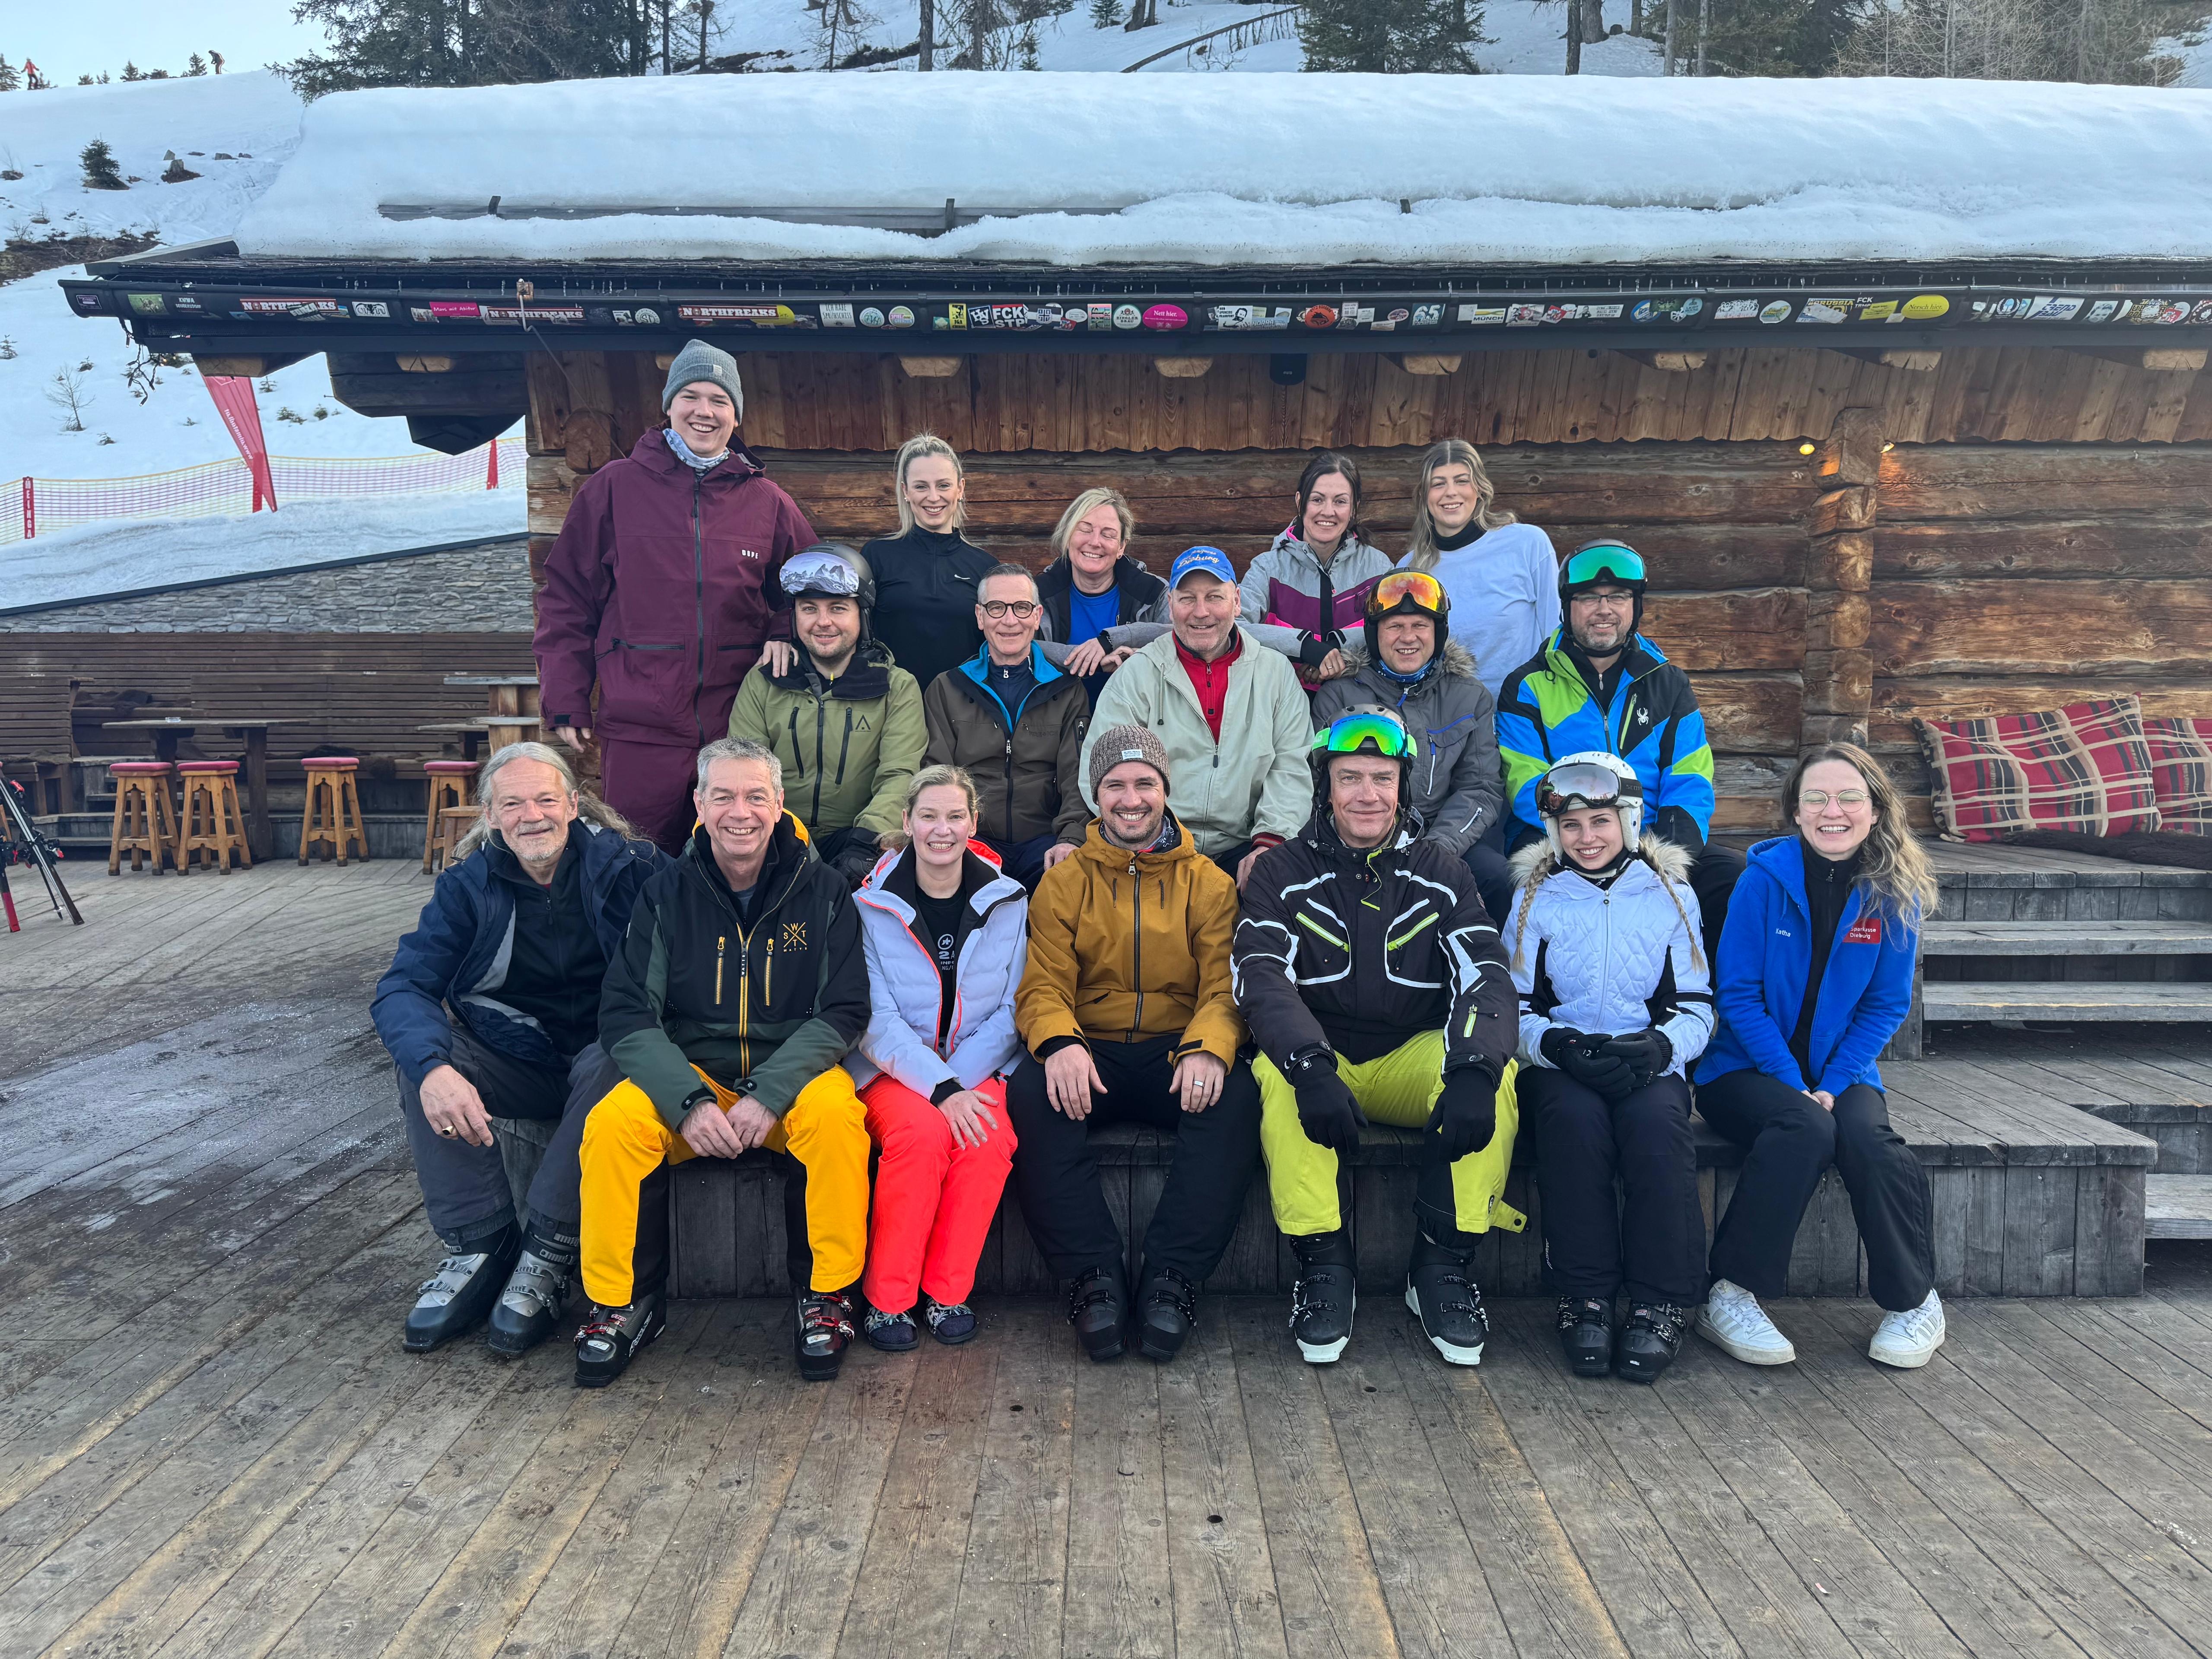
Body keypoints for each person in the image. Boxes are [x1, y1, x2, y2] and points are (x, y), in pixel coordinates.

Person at [572, 738, 873, 1387]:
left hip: (791, 1078)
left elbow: (845, 1011)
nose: (741, 812)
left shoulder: (824, 891)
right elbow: (626, 1013)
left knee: (837, 1119)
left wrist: (770, 1092)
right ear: (699, 805)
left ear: (780, 804)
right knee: (613, 1125)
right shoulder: (664, 893)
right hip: (692, 1075)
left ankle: (827, 1294)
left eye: (756, 796)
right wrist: (687, 1101)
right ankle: (620, 1303)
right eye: (724, 796)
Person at [1233, 708, 1521, 1369]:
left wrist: (1474, 1067)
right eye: (1350, 778)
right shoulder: (1281, 871)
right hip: (1322, 1055)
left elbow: (1486, 974)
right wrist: (1309, 1064)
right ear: (1325, 787)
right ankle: (1324, 1264)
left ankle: (1442, 1266)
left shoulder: (1443, 871)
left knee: (1496, 1076)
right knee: (1276, 1072)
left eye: (1382, 779)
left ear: (1404, 787)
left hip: (1407, 1054)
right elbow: (1260, 975)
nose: (1367, 794)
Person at [371, 742, 663, 1356]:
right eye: (512, 804)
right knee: (426, 1059)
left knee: (623, 1052)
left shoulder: (634, 869)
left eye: (545, 799)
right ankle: (481, 1244)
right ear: (491, 816)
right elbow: (404, 986)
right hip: (518, 1058)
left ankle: (547, 1249)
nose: (532, 816)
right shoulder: (468, 886)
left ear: (574, 805)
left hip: (605, 1058)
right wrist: (434, 1069)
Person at [1008, 724, 1262, 1364]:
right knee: (1031, 1094)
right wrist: (1059, 1043)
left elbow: (1224, 987)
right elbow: (1042, 985)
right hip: (1091, 1051)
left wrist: (1208, 1046)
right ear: (1096, 797)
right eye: (1115, 785)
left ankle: (1173, 1277)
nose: (1130, 799)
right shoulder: (1065, 882)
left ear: (1165, 790)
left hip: (1174, 1052)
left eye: (1144, 783)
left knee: (1234, 1098)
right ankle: (1091, 1276)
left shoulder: (1209, 883)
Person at [1694, 743, 1944, 1372]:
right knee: (1803, 1126)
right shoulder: (1761, 880)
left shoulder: (1895, 892)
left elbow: (1885, 1005)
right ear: (1797, 813)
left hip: (1843, 1071)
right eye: (1817, 799)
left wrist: (1831, 1083)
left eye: (1849, 797)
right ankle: (1731, 1293)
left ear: (1875, 809)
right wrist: (1793, 1082)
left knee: (1869, 1141)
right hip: (1743, 1070)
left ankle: (1914, 1300)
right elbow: (1738, 995)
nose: (1833, 811)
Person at [535, 339, 816, 852]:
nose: (704, 411)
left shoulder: (767, 501)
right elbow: (567, 599)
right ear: (668, 406)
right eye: (691, 396)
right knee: (638, 860)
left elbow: (808, 584)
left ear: (736, 416)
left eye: (719, 400)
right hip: (641, 725)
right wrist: (565, 697)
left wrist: (783, 631)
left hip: (737, 726)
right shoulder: (614, 488)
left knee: (734, 857)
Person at [1502, 753, 1714, 1385]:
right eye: (1570, 826)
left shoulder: (1669, 895)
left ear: (1629, 820)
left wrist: (1662, 1048)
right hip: (1562, 1059)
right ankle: (1585, 1293)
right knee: (1573, 1124)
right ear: (1553, 831)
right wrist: (1555, 1044)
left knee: (1657, 1130)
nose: (1586, 837)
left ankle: (1660, 1299)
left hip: (1643, 1056)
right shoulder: (1535, 897)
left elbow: (1697, 1002)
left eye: (1601, 821)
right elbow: (1511, 1004)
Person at [1494, 538, 1744, 961]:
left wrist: (1660, 852)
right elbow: (1525, 784)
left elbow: (1690, 778)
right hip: (1562, 835)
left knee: (1734, 879)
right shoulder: (1527, 686)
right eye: (1589, 598)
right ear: (1567, 607)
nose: (1603, 609)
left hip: (1653, 838)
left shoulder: (1668, 684)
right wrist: (1593, 835)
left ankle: (1704, 995)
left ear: (1635, 606)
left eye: (1618, 597)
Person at [849, 766, 1027, 1349]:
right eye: (928, 816)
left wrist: (955, 1084)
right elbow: (874, 1021)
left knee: (987, 1137)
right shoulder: (869, 905)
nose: (941, 830)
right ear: (907, 823)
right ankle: (889, 1300)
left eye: (954, 816)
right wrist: (939, 1088)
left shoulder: (1009, 900)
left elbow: (1013, 1010)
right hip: (893, 1069)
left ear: (973, 823)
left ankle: (947, 1291)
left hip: (977, 1064)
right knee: (922, 1136)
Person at [1081, 546, 1313, 889]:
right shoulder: (1138, 675)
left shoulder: (1275, 674)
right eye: (1187, 599)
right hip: (1153, 844)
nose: (1201, 612)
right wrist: (1147, 839)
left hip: (1246, 844)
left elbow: (1292, 767)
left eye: (1214, 597)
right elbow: (1101, 767)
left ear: (1237, 601)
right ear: (1171, 605)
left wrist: (1271, 842)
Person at [1310, 569, 1510, 919]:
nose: (1408, 637)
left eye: (1420, 625)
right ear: (1374, 634)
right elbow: (1318, 782)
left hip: (1442, 834)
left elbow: (1480, 787)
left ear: (1438, 632)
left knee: (1498, 877)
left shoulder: (1469, 696)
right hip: (1360, 834)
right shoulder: (1339, 695)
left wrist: (1436, 850)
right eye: (1394, 627)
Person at [727, 543, 926, 888]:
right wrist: (769, 836)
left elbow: (899, 773)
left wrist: (867, 840)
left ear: (862, 615)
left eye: (838, 608)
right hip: (776, 832)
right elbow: (743, 769)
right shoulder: (764, 682)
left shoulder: (896, 687)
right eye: (809, 609)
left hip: (856, 835)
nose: (823, 622)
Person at [922, 564, 1091, 887]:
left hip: (1046, 841)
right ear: (980, 617)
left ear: (1037, 616)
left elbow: (1077, 774)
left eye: (1022, 608)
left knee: (1070, 890)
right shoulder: (948, 688)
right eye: (996, 608)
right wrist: (952, 838)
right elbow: (936, 773)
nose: (1010, 621)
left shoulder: (1067, 689)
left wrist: (1071, 838)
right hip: (971, 840)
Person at [1398, 437, 1558, 702]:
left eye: (1462, 481)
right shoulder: (1410, 570)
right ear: (1425, 497)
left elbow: (1555, 634)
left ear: (1480, 489)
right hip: (1447, 717)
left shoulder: (1528, 544)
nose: (1451, 492)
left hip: (1524, 712)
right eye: (1438, 484)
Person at [1238, 451, 1395, 686]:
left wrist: (1338, 647)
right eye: (1318, 500)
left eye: (1340, 501)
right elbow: (1235, 627)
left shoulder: (1378, 567)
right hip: (1282, 697)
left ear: (1354, 508)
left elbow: (1396, 629)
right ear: (1300, 502)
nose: (1328, 511)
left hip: (1359, 698)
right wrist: (1305, 647)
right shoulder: (1267, 568)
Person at [1036, 486, 1165, 699]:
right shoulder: (1037, 594)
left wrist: (1113, 640)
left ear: (1121, 547)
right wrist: (1090, 660)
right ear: (1068, 536)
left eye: (1108, 535)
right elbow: (1019, 646)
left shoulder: (1154, 592)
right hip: (1056, 718)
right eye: (1085, 530)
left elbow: (1181, 635)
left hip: (1136, 717)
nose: (1095, 542)